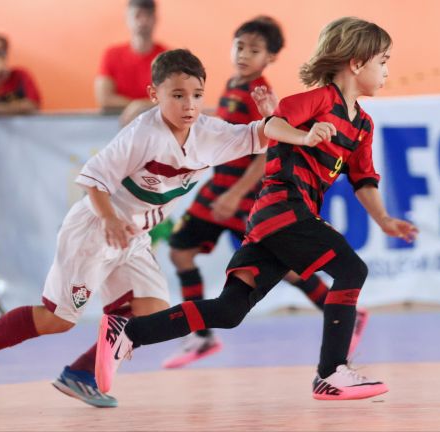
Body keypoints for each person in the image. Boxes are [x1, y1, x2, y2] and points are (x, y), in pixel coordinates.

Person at [95, 17, 419, 401]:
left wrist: (383, 219)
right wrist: (304, 133)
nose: (386, 70)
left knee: (229, 311)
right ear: (356, 62)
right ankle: (331, 372)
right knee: (352, 269)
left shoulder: (363, 125)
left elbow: (363, 178)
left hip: (275, 223)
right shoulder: (315, 100)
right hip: (285, 209)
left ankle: (129, 331)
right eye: (383, 60)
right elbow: (273, 127)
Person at [0, 49, 277, 407]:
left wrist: (272, 116)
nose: (189, 104)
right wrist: (111, 220)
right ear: (153, 95)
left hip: (133, 237)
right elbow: (93, 180)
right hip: (97, 228)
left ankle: (81, 373)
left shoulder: (207, 131)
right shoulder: (143, 133)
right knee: (57, 319)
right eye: (177, 95)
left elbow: (259, 135)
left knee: (152, 314)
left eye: (196, 95)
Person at [163, 16, 368, 369]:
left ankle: (341, 312)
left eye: (254, 50)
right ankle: (201, 337)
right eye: (240, 46)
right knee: (181, 250)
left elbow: (269, 147)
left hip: (242, 197)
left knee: (279, 264)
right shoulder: (231, 83)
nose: (243, 55)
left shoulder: (258, 91)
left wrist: (236, 193)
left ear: (270, 57)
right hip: (217, 190)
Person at [95, 0, 167, 126]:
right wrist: (135, 105)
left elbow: (174, 98)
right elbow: (104, 98)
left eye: (148, 15)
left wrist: (140, 105)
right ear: (127, 18)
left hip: (157, 127)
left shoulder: (167, 57)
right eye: (137, 15)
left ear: (155, 18)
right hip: (119, 127)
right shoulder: (112, 54)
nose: (143, 21)